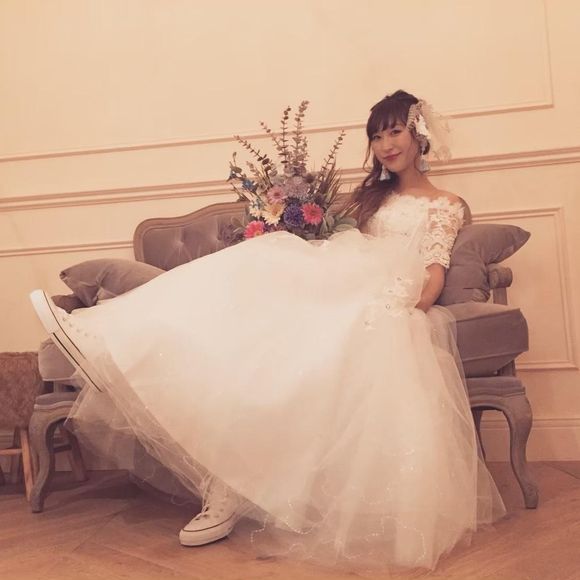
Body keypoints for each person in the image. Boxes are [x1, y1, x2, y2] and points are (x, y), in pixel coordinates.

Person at [30, 90, 506, 571]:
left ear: (418, 135)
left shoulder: (445, 204)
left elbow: (433, 273)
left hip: (387, 294)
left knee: (300, 329)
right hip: (349, 278)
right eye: (377, 136)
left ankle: (229, 481)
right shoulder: (370, 200)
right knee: (260, 266)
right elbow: (348, 244)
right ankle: (107, 339)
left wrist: (398, 303)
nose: (386, 145)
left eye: (395, 132)